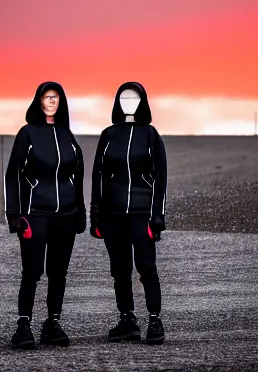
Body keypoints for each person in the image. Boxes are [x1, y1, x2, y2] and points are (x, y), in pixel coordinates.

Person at [4, 81, 86, 350]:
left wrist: (81, 211)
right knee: (32, 272)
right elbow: (12, 174)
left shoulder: (67, 134)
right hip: (35, 215)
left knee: (58, 273)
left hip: (66, 215)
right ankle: (23, 326)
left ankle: (52, 323)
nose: (52, 101)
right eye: (47, 96)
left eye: (56, 97)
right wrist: (14, 214)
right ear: (38, 100)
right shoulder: (27, 134)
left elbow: (78, 174)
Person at [90, 82, 167, 345]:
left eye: (135, 98)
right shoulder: (109, 135)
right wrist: (96, 215)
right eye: (124, 98)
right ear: (117, 102)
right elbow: (97, 175)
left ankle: (155, 320)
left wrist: (157, 217)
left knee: (147, 267)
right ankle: (127, 320)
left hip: (142, 213)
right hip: (113, 215)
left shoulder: (150, 135)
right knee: (120, 269)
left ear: (144, 101)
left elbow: (160, 178)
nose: (129, 102)